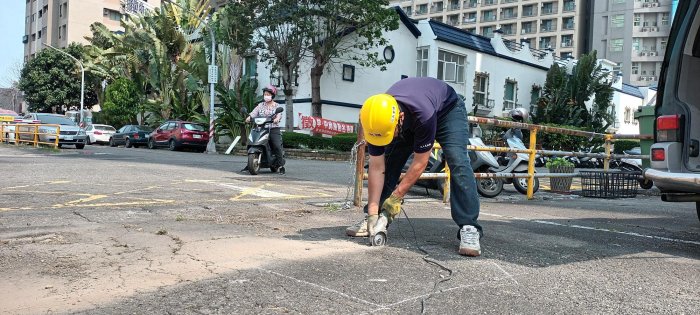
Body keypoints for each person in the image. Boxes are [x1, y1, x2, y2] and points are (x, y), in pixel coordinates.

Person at [346, 77, 482, 256]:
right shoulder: (376, 119)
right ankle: (375, 218)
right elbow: (377, 167)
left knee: (457, 160)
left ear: (400, 119)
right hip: (412, 115)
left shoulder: (422, 115)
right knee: (390, 159)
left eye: (391, 134)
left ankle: (469, 226)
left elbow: (420, 162)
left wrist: (396, 197)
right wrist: (372, 210)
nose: (389, 138)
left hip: (448, 111)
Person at [242, 85, 286, 175]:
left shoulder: (276, 106)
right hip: (259, 128)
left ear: (272, 95)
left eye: (268, 94)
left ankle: (281, 166)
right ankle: (249, 164)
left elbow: (279, 114)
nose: (266, 96)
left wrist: (277, 119)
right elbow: (254, 113)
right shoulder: (260, 105)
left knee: (277, 146)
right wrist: (249, 117)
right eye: (265, 94)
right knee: (251, 142)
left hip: (273, 128)